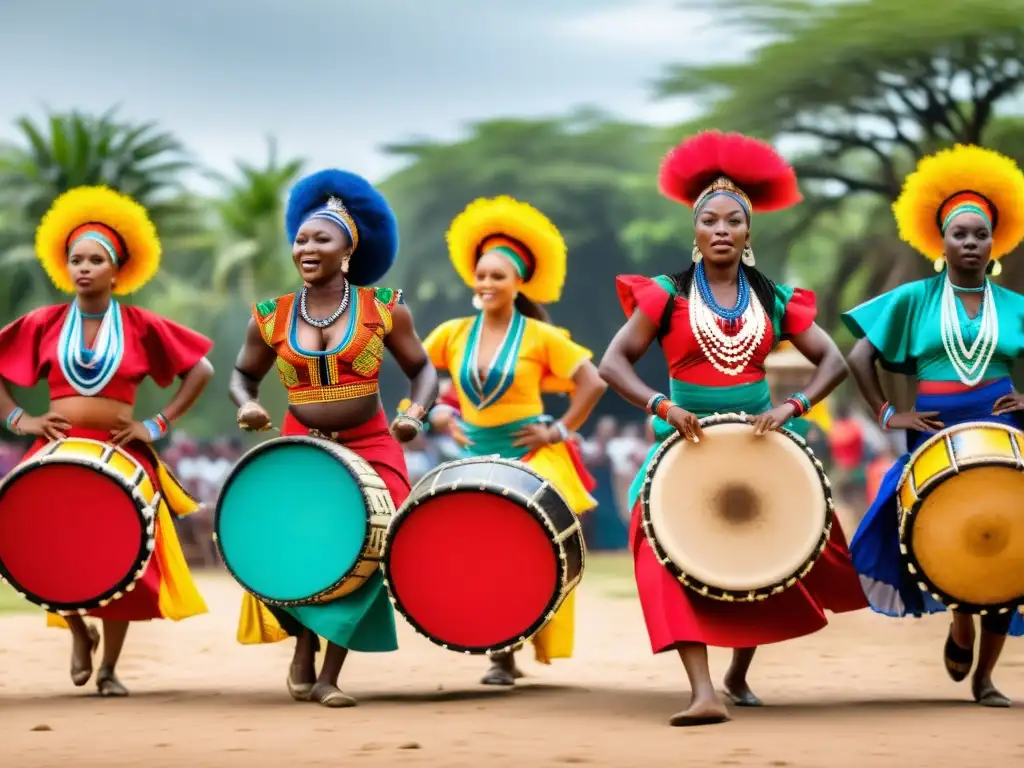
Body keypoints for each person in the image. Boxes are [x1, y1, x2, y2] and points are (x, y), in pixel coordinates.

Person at [597, 131, 868, 726]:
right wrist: (661, 407)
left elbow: (835, 360)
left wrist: (792, 408)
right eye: (710, 220)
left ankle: (738, 675)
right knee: (658, 552)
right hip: (682, 445)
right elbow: (612, 364)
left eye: (733, 221)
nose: (721, 229)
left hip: (759, 445)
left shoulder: (772, 300)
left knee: (767, 556)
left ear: (749, 234)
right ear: (694, 233)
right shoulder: (666, 296)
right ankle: (702, 691)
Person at [229, 169, 438, 707]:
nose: (307, 246)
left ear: (349, 250)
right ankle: (302, 645)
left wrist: (415, 413)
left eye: (321, 237)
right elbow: (241, 376)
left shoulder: (385, 308)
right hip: (302, 447)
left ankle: (330, 673)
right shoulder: (270, 318)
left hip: (370, 444)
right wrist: (249, 405)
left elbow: (424, 371)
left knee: (371, 539)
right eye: (301, 237)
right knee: (284, 543)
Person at [0, 186, 214, 696]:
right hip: (55, 449)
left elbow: (201, 368)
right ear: (64, 266)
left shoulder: (140, 325)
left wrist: (157, 424)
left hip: (119, 452)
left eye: (96, 259)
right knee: (35, 547)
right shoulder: (45, 322)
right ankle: (78, 630)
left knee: (120, 556)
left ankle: (110, 669)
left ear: (118, 270)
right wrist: (18, 420)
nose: (84, 268)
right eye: (76, 259)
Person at [842, 144, 1024, 708]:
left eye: (980, 234)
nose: (970, 243)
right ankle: (960, 620)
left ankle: (986, 677)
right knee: (946, 530)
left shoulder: (1014, 304)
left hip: (1000, 426)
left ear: (994, 242)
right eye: (959, 234)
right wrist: (887, 413)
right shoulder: (915, 299)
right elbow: (857, 358)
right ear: (940, 243)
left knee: (1008, 540)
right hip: (934, 428)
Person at [422, 195, 607, 686]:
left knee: (531, 542)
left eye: (497, 276)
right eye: (481, 275)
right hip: (472, 455)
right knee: (473, 549)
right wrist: (436, 411)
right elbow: (415, 373)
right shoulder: (452, 333)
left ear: (518, 282)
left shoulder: (540, 337)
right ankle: (499, 646)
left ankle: (513, 641)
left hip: (533, 454)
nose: (486, 284)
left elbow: (594, 381)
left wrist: (560, 428)